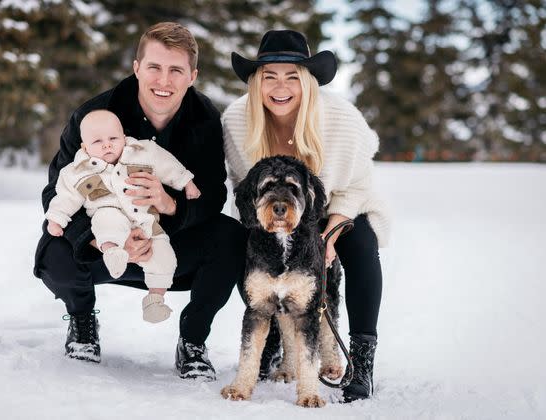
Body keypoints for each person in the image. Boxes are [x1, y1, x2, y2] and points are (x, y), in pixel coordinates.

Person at [34, 22, 246, 381]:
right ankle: (82, 320)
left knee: (231, 238)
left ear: (192, 76)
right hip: (105, 241)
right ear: (136, 68)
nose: (163, 80)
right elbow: (56, 190)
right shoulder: (95, 116)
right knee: (53, 251)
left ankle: (193, 341)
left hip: (167, 244)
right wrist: (100, 239)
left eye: (176, 70)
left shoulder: (205, 118)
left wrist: (170, 205)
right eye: (154, 67)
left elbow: (213, 194)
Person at [222, 30, 390, 402]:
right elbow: (243, 188)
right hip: (272, 211)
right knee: (244, 246)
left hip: (339, 206)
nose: (280, 87)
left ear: (308, 81)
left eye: (292, 76)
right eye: (269, 76)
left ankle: (361, 362)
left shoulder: (341, 119)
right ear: (256, 81)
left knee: (362, 246)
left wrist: (328, 235)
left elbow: (358, 184)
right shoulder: (236, 119)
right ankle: (271, 335)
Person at [45, 110, 202, 324]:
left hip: (146, 221)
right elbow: (66, 197)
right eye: (98, 141)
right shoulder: (75, 171)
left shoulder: (143, 151)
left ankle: (155, 299)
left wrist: (186, 182)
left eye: (113, 139)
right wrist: (56, 219)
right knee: (106, 221)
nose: (107, 145)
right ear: (84, 147)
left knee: (165, 257)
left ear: (124, 137)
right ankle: (112, 252)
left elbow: (168, 165)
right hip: (108, 214)